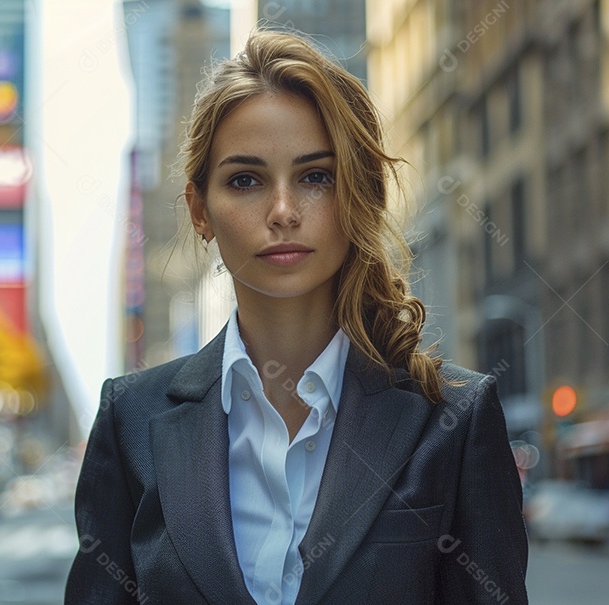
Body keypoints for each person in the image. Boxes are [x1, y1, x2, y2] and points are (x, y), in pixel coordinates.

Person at [65, 29, 528, 605]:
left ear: (358, 194)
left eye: (315, 176)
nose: (283, 211)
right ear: (200, 210)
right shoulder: (129, 420)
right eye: (245, 180)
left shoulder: (455, 418)